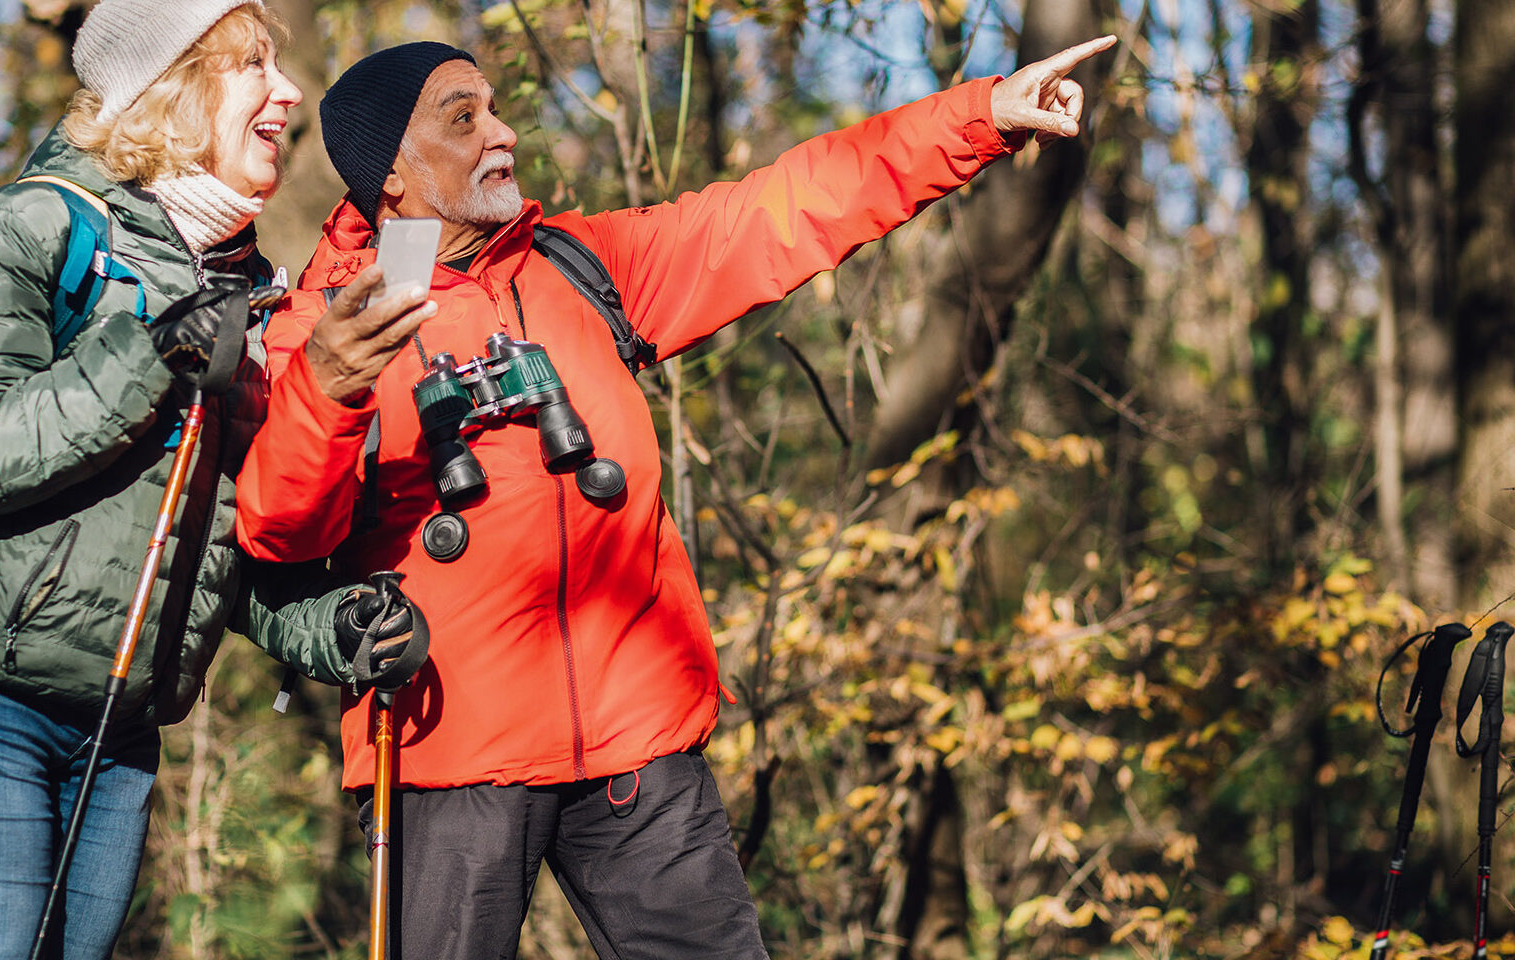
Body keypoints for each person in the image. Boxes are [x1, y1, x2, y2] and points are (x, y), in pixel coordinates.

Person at [234, 35, 1118, 959]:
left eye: (494, 106)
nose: (502, 133)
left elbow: (786, 208)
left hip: (640, 747)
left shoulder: (582, 267)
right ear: (393, 183)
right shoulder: (320, 328)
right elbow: (280, 535)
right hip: (446, 756)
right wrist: (331, 386)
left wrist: (980, 116)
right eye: (464, 118)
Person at [0, 2, 419, 957]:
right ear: (172, 87)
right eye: (252, 65)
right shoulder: (32, 225)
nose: (289, 92)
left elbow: (224, 538)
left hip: (119, 729)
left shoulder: (249, 287)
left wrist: (331, 627)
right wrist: (149, 354)